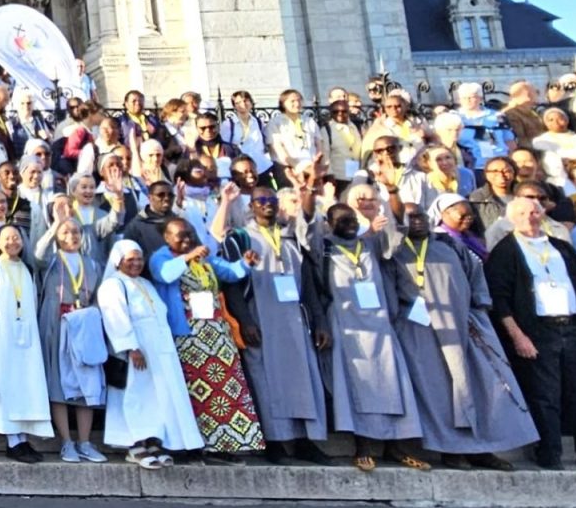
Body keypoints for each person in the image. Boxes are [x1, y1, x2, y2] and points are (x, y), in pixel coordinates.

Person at [388, 205, 535, 470]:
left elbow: (475, 276)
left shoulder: (450, 245)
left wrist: (477, 312)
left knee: (478, 388)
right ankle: (452, 450)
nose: (416, 222)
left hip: (462, 326)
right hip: (419, 331)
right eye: (409, 218)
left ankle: (482, 449)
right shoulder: (394, 250)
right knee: (439, 392)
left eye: (420, 216)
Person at [486, 197, 576, 473]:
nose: (530, 216)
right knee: (544, 394)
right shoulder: (505, 251)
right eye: (522, 213)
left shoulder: (562, 247)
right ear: (511, 218)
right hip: (537, 329)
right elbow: (500, 300)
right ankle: (549, 451)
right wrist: (518, 336)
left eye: (534, 211)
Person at [306, 203, 426, 471]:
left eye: (353, 219)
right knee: (357, 386)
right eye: (342, 220)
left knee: (391, 382)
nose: (350, 223)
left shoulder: (370, 244)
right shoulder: (325, 248)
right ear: (329, 223)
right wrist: (309, 192)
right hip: (347, 325)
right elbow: (306, 233)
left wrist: (391, 194)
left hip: (380, 323)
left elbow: (395, 234)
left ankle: (395, 446)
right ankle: (363, 446)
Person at [224, 183, 333, 465]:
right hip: (261, 316)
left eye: (271, 199)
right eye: (260, 200)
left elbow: (308, 284)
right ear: (251, 206)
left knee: (302, 379)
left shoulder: (291, 237)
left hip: (294, 319)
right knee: (266, 380)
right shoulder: (240, 238)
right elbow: (232, 286)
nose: (267, 204)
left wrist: (320, 320)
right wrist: (245, 320)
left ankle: (305, 440)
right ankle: (274, 441)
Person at [152, 212, 265, 464]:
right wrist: (187, 257)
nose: (187, 239)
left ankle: (223, 446)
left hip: (216, 334)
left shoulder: (203, 257)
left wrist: (245, 263)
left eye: (190, 234)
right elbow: (164, 275)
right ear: (167, 238)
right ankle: (193, 446)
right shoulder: (161, 257)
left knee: (225, 393)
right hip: (187, 337)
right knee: (194, 394)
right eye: (180, 236)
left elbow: (229, 272)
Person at [97, 240, 201, 467]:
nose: (136, 263)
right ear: (118, 261)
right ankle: (134, 444)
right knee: (135, 395)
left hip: (158, 349)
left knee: (156, 396)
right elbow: (115, 318)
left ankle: (153, 440)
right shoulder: (113, 285)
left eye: (139, 259)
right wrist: (132, 348)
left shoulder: (144, 283)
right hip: (135, 350)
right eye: (130, 259)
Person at [0, 225, 54, 462]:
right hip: (0, 336)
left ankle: (23, 439)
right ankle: (12, 441)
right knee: (6, 387)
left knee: (26, 386)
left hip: (26, 338)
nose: (12, 242)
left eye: (16, 237)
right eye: (7, 238)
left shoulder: (28, 269)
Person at [35, 217, 106, 462]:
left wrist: (90, 314)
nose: (72, 236)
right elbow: (38, 256)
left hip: (82, 325)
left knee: (86, 381)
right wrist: (55, 224)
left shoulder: (92, 264)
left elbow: (99, 297)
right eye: (65, 232)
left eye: (76, 232)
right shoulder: (52, 261)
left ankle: (85, 441)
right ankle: (66, 441)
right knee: (58, 380)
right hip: (56, 323)